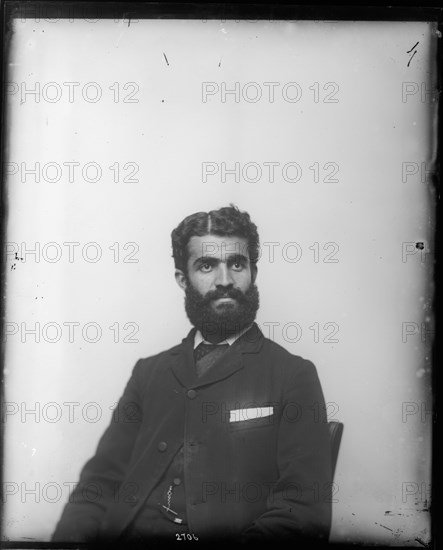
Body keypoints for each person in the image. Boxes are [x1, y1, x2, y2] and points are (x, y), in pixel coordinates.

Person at [52, 205, 332, 546]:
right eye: (207, 265)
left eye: (237, 264)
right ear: (182, 279)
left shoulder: (292, 375)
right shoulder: (149, 372)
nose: (225, 280)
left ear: (253, 272)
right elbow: (98, 484)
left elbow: (301, 511)